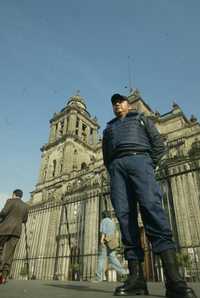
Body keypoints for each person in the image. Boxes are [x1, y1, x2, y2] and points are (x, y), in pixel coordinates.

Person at [102, 93, 197, 297]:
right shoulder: (108, 128)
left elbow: (158, 145)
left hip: (140, 161)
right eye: (114, 103)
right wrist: (115, 167)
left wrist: (147, 164)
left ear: (128, 104)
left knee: (152, 211)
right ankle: (136, 280)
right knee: (125, 218)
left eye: (121, 101)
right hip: (118, 168)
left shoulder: (141, 119)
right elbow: (106, 155)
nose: (117, 104)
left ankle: (174, 281)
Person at [0, 189, 29, 284]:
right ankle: (3, 277)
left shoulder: (10, 201)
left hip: (4, 229)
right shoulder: (25, 206)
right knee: (9, 254)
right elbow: (25, 219)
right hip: (16, 232)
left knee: (1, 250)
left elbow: (3, 212)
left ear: (14, 194)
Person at [93, 210, 127, 282]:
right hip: (112, 242)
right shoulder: (112, 222)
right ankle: (123, 272)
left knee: (101, 259)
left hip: (106, 241)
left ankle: (99, 277)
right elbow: (115, 232)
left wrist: (101, 240)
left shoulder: (104, 221)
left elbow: (103, 232)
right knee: (113, 258)